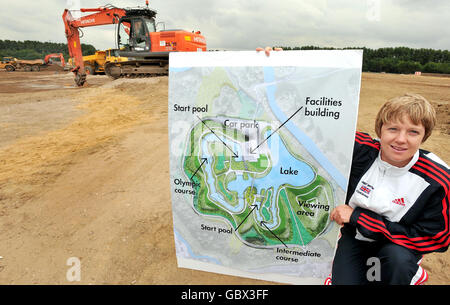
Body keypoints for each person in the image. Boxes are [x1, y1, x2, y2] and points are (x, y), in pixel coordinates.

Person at [258, 47, 449, 285]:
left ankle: (411, 272)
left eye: (413, 132)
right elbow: (303, 124)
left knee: (396, 262)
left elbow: (437, 239)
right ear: (380, 130)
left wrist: (360, 218)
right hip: (354, 237)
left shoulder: (438, 178)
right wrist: (280, 69)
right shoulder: (360, 150)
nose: (401, 139)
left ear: (424, 136)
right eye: (393, 129)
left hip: (397, 245)